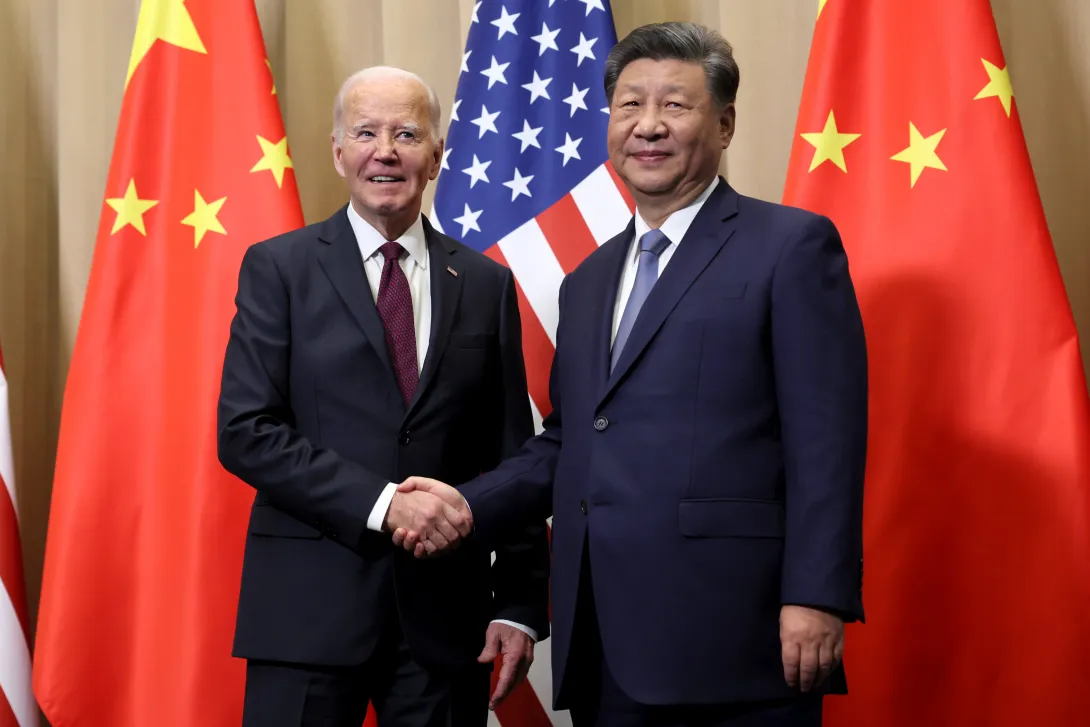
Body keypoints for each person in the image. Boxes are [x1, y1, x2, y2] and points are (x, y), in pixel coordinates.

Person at [393, 22, 868, 727]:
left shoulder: (790, 247)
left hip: (736, 636)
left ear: (726, 123)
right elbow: (570, 439)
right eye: (628, 106)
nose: (647, 126)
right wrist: (464, 504)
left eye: (675, 105)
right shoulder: (587, 281)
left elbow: (826, 439)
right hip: (605, 641)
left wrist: (817, 594)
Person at [216, 66, 549, 727]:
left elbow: (514, 458)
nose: (385, 150)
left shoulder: (485, 284)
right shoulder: (279, 268)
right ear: (338, 152)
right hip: (307, 616)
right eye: (366, 132)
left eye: (406, 133)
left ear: (437, 153)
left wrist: (516, 602)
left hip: (445, 622)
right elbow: (246, 430)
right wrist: (384, 504)